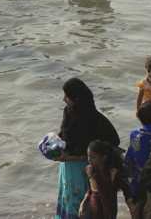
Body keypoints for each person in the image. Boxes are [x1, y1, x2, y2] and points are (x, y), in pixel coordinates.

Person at [54, 78, 120, 219]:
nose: (64, 99)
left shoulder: (94, 120)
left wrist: (73, 158)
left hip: (84, 169)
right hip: (67, 168)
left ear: (76, 98)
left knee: (85, 206)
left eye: (67, 96)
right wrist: (53, 144)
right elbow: (63, 133)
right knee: (69, 200)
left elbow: (113, 141)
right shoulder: (68, 112)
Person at [78, 140, 135, 218]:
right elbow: (90, 190)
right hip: (93, 207)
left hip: (108, 209)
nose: (89, 160)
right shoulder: (90, 169)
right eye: (88, 156)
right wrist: (83, 203)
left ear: (104, 157)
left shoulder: (112, 172)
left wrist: (132, 207)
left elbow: (125, 189)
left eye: (93, 157)